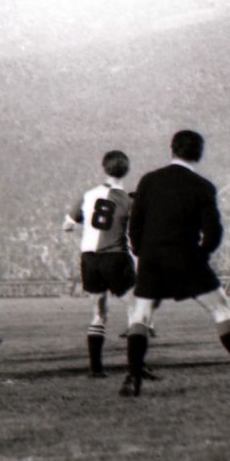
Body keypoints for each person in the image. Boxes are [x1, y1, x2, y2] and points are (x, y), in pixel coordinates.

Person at [121, 130, 230, 397]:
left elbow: (135, 224)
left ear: (172, 149)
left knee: (141, 316)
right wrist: (201, 255)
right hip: (186, 256)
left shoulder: (149, 180)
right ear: (199, 153)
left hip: (151, 257)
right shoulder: (203, 186)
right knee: (220, 310)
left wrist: (142, 251)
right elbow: (214, 232)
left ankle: (133, 378)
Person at [63, 150, 137, 378]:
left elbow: (67, 226)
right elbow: (134, 232)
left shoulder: (88, 195)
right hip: (115, 255)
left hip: (90, 258)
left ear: (104, 168)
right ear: (126, 170)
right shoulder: (128, 199)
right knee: (136, 309)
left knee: (99, 313)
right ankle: (137, 367)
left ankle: (96, 368)